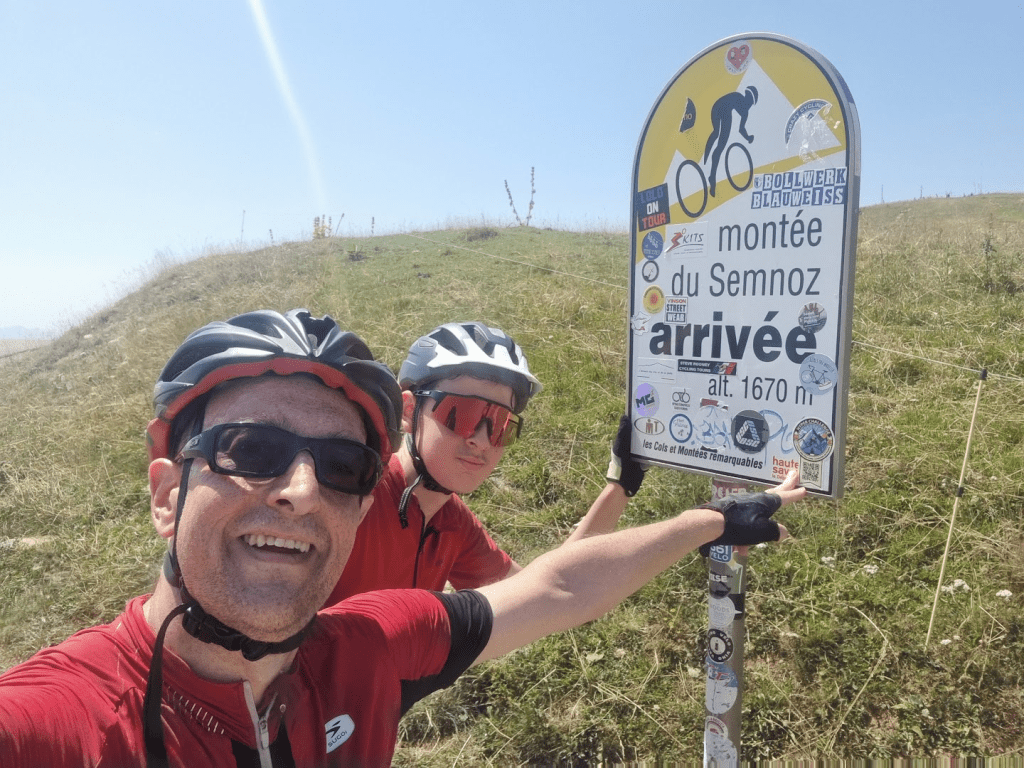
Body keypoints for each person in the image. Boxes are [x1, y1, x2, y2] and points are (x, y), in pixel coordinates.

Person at [0, 308, 805, 767]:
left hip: (353, 693)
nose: (302, 490)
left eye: (500, 427)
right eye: (251, 452)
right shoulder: (61, 724)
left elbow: (554, 586)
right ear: (169, 494)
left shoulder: (391, 614)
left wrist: (660, 501)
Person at [324, 321, 645, 606]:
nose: (480, 439)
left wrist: (619, 486)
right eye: (460, 414)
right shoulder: (351, 498)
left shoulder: (453, 524)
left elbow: (547, 592)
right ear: (408, 412)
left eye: (498, 422)